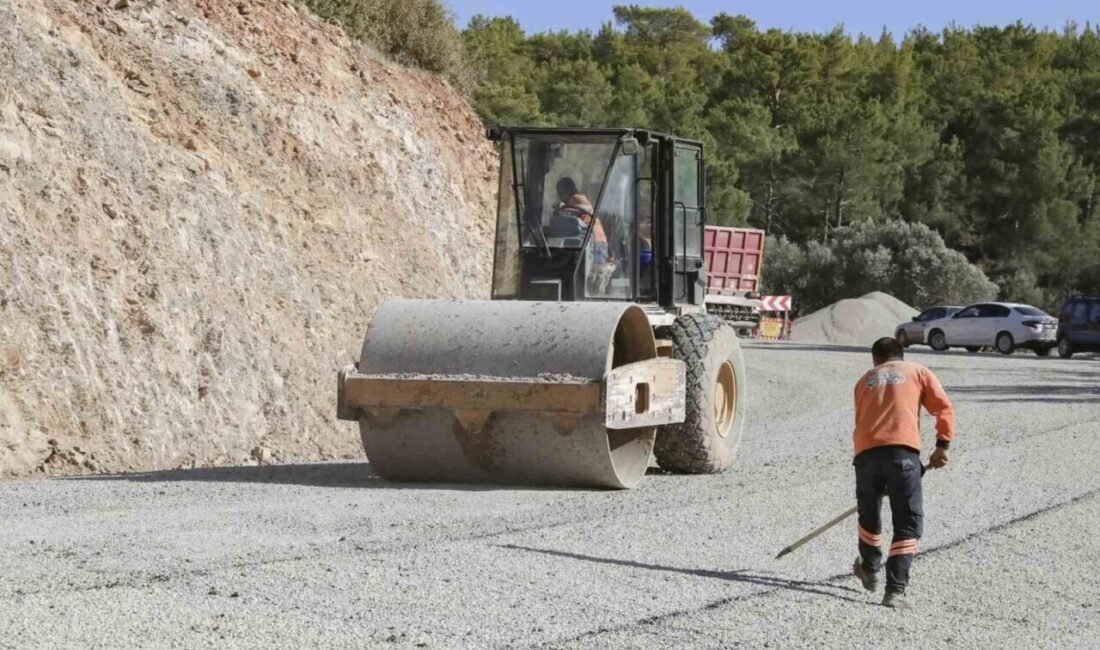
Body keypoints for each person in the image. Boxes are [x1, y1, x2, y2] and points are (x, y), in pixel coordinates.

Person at [851, 337, 955, 609]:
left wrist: (875, 467)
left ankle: (870, 571)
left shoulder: (865, 380)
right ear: (901, 356)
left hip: (865, 455)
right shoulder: (917, 371)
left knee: (869, 517)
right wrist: (942, 446)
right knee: (907, 522)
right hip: (903, 456)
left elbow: (862, 421)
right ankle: (895, 591)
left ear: (875, 359)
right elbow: (943, 407)